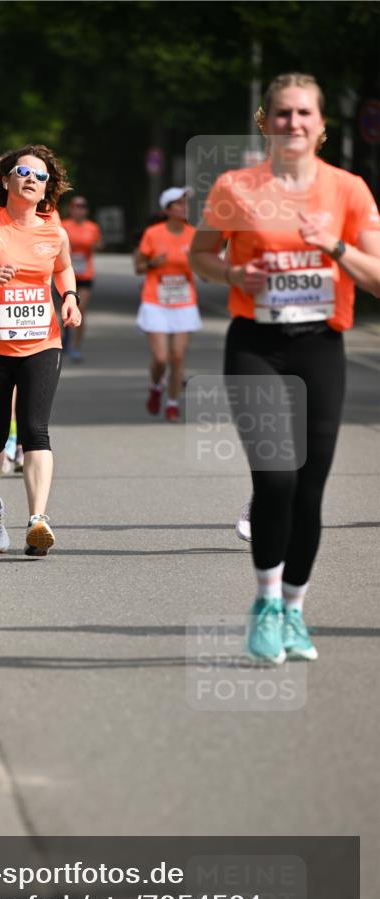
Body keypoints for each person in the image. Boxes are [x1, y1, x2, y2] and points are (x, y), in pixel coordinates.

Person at [190, 72, 380, 663]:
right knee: (277, 478)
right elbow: (200, 254)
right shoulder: (235, 185)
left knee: (310, 491)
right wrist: (231, 275)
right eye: (281, 114)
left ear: (322, 126)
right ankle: (267, 605)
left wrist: (334, 246)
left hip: (320, 344)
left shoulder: (348, 190)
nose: (292, 123)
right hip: (256, 346)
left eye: (303, 114)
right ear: (264, 122)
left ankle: (295, 611)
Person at [0, 144, 81, 556]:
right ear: (6, 180)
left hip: (42, 340)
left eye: (40, 176)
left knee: (35, 430)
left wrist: (71, 296)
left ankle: (38, 519)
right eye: (22, 171)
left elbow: (63, 267)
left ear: (47, 190)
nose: (31, 179)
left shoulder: (53, 231)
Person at [135, 187, 201, 421]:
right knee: (161, 358)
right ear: (167, 209)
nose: (185, 208)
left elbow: (204, 268)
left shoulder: (194, 235)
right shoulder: (153, 234)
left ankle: (172, 403)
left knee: (177, 356)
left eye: (186, 204)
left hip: (184, 303)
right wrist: (152, 263)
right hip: (156, 302)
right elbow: (138, 267)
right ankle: (156, 387)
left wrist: (203, 268)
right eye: (179, 204)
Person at [62, 196, 103, 361]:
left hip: (85, 274)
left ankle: (76, 346)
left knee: (81, 309)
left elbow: (100, 244)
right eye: (76, 207)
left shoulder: (92, 227)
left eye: (83, 207)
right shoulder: (64, 225)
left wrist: (95, 246)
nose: (79, 210)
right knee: (65, 311)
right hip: (66, 274)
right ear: (71, 210)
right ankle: (65, 336)